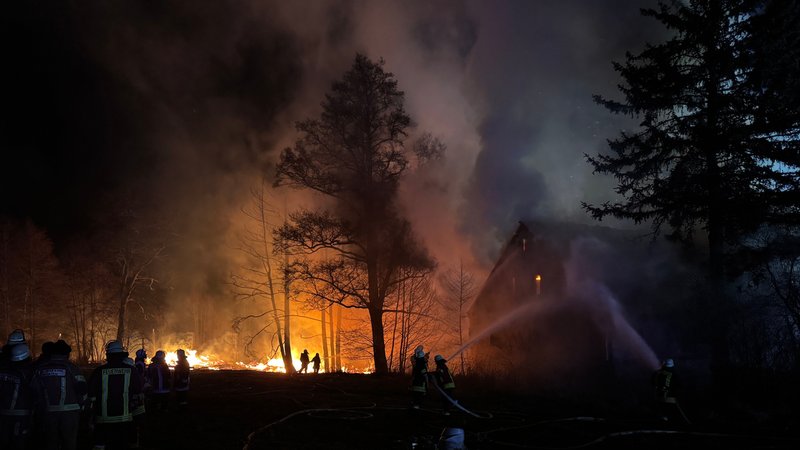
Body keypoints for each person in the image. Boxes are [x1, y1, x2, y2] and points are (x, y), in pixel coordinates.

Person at [31, 339, 87, 450]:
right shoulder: (72, 368)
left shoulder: (40, 369)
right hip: (70, 415)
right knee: (69, 443)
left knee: (51, 443)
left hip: (48, 414)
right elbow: (82, 390)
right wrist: (83, 407)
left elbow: (34, 391)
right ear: (67, 354)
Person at [88, 340, 145, 450]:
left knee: (100, 444)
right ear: (121, 355)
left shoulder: (99, 371)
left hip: (102, 419)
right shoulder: (131, 370)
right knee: (121, 444)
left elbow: (91, 393)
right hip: (124, 419)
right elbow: (138, 390)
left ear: (108, 355)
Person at [0, 344, 34, 450]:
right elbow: (35, 393)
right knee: (19, 443)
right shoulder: (28, 374)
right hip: (21, 416)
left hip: (2, 414)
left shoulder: (2, 371)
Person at [652, 358, 688, 423]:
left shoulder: (657, 373)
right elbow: (680, 385)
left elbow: (652, 383)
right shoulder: (674, 374)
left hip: (658, 398)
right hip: (671, 398)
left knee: (663, 414)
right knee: (675, 416)